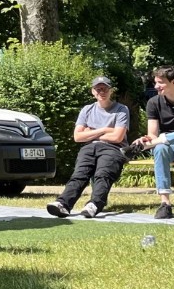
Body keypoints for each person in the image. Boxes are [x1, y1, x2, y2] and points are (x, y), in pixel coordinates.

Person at [126, 65, 174, 219]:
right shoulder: (153, 103)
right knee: (160, 147)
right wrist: (147, 139)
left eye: (160, 82)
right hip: (168, 148)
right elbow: (152, 134)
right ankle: (165, 204)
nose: (155, 86)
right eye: (155, 82)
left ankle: (164, 140)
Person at [46, 76, 130, 219]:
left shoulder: (121, 110)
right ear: (93, 92)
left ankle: (94, 204)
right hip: (89, 148)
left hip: (113, 149)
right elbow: (77, 137)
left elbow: (117, 138)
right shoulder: (87, 109)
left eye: (105, 89)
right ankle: (63, 204)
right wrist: (104, 130)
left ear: (111, 91)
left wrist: (90, 132)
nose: (101, 92)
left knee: (103, 174)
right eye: (98, 89)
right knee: (79, 175)